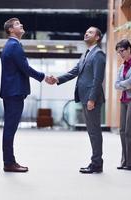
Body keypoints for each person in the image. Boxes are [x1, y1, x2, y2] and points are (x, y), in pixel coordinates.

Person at [46, 26, 106, 174]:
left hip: (91, 99)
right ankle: (96, 162)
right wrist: (57, 79)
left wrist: (92, 99)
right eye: (86, 31)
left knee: (94, 132)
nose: (86, 33)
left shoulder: (98, 54)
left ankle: (97, 163)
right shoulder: (86, 54)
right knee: (92, 131)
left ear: (97, 37)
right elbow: (74, 72)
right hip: (85, 97)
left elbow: (98, 80)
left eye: (90, 32)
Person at [0, 18, 48, 172]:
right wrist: (44, 77)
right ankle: (9, 163)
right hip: (14, 93)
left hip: (12, 92)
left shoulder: (12, 45)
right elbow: (25, 68)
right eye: (17, 24)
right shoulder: (14, 46)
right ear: (10, 30)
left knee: (10, 128)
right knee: (10, 129)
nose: (21, 25)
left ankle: (9, 161)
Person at [114, 39, 131, 170]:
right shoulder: (121, 66)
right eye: (119, 52)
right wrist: (125, 85)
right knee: (122, 130)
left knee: (130, 130)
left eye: (122, 51)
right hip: (124, 100)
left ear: (129, 49)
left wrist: (122, 84)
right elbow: (116, 84)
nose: (121, 54)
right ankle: (125, 161)